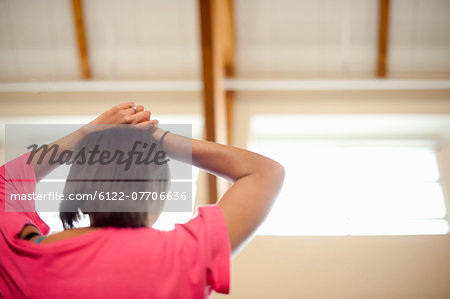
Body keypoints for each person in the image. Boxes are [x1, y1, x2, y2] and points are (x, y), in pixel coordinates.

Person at [0, 102, 284, 299]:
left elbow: (5, 181)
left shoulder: (22, 253)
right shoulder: (184, 254)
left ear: (79, 189)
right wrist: (156, 137)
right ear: (157, 196)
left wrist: (90, 134)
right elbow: (263, 172)